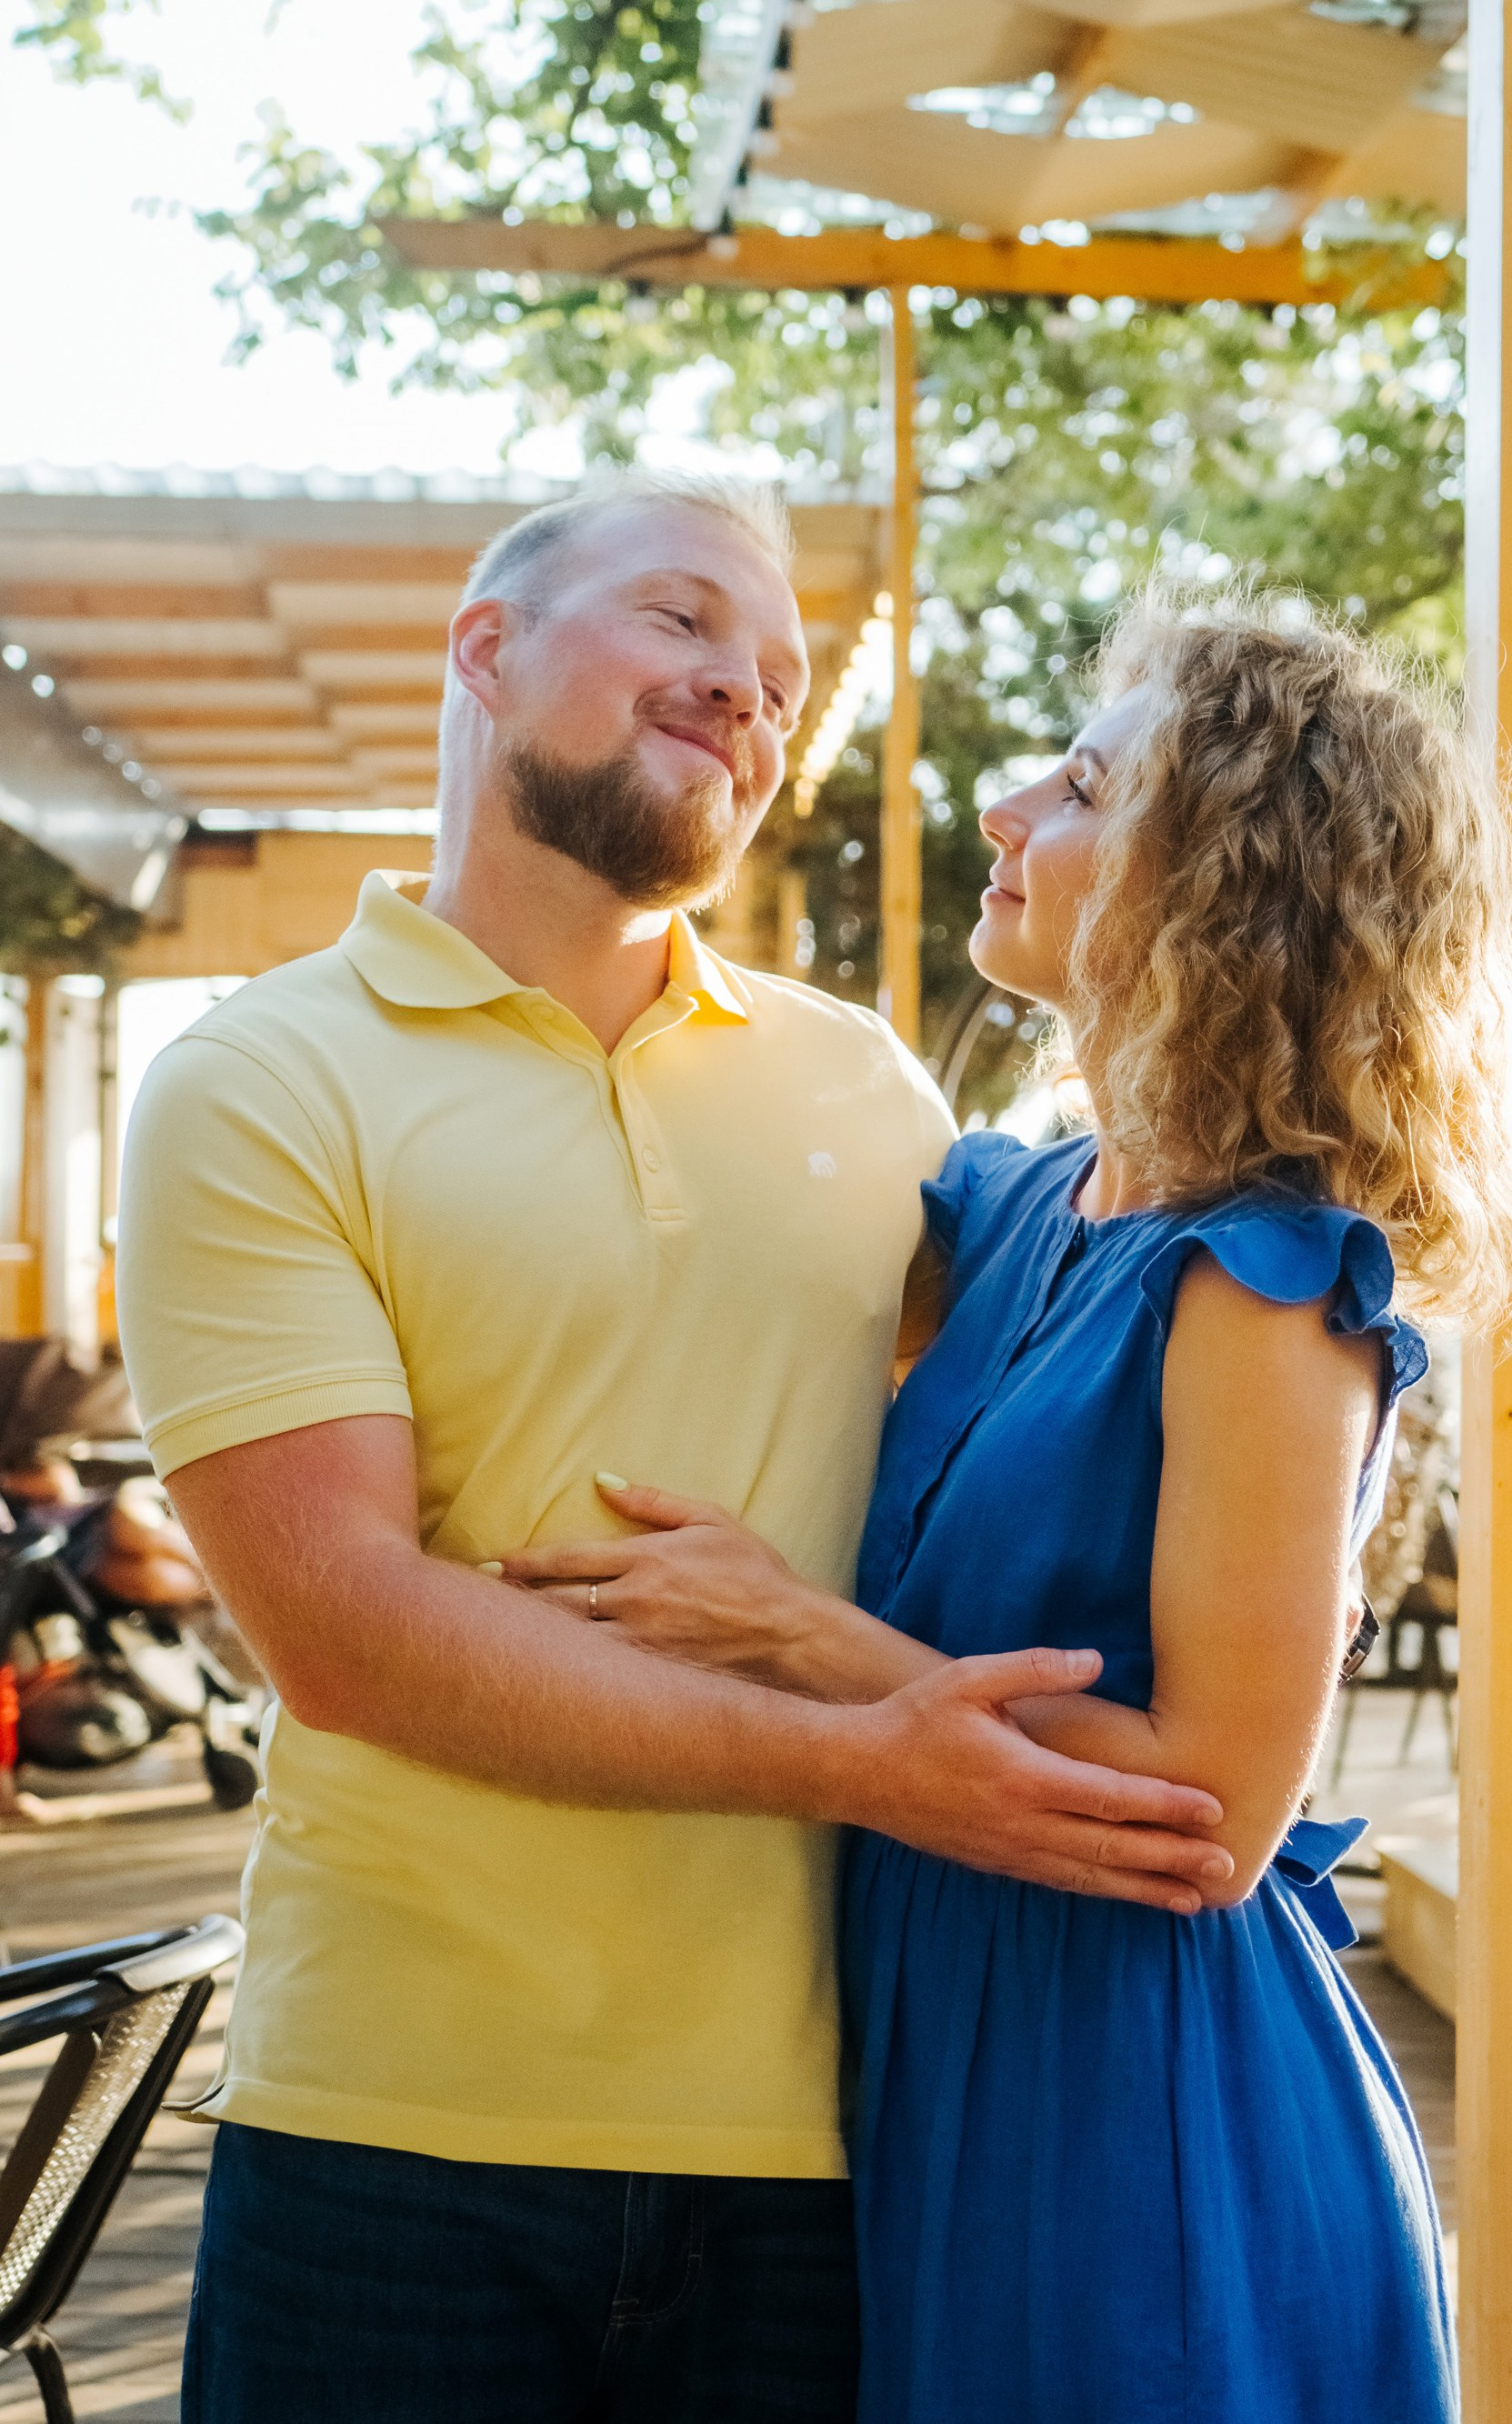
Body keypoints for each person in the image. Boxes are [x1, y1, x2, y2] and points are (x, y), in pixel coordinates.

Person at [114, 473, 1239, 2424]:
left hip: (831, 2134)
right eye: (684, 622)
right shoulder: (256, 1081)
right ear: (485, 648)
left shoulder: (864, 1086)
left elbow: (1088, 1388)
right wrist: (868, 1758)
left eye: (784, 680)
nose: (746, 691)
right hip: (394, 2123)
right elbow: (347, 1629)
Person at [498, 588, 1512, 2422]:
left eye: (1082, 786)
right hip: (937, 2043)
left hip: (1134, 2093)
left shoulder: (1262, 1284)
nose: (1007, 804)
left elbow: (1215, 1805)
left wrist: (797, 1633)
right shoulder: (1009, 1211)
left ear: (1220, 886)